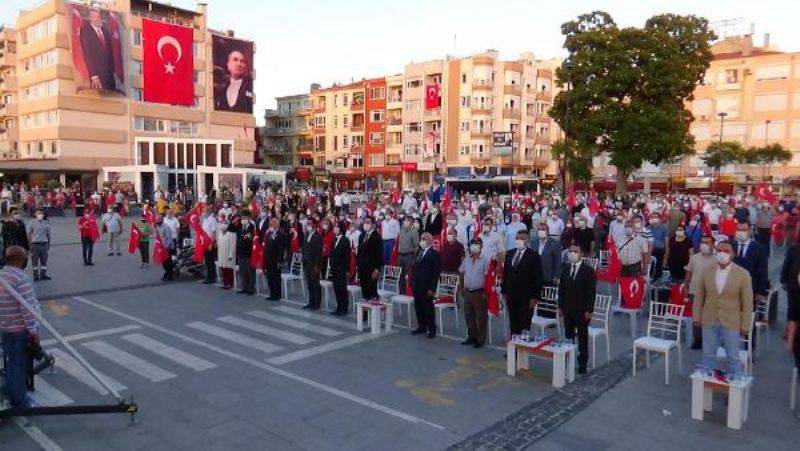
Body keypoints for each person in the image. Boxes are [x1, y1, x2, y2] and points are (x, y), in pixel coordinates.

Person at [694, 240, 753, 378]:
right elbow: (699, 296)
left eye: (726, 251)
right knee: (708, 354)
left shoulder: (743, 274)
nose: (722, 254)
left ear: (733, 254)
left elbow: (747, 302)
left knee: (732, 356)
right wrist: (696, 317)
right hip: (709, 318)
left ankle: (734, 389)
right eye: (719, 250)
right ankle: (706, 385)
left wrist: (745, 325)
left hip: (731, 321)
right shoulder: (707, 271)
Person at [0, 246, 40, 408]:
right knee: (17, 366)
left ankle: (11, 392)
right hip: (19, 329)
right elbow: (28, 308)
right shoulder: (20, 278)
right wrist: (33, 331)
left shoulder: (3, 275)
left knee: (11, 363)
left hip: (6, 328)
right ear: (20, 260)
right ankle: (20, 401)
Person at [558, 244, 596, 374]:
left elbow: (591, 292)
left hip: (582, 310)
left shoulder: (588, 271)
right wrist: (560, 306)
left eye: (575, 251)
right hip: (568, 309)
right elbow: (561, 289)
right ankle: (567, 360)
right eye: (570, 251)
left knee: (582, 337)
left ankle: (582, 363)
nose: (572, 254)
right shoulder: (566, 268)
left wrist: (589, 310)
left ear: (581, 254)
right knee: (568, 336)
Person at [502, 230, 544, 336]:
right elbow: (505, 273)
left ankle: (522, 350)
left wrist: (535, 297)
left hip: (526, 297)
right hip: (512, 295)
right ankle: (513, 350)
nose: (519, 241)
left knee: (524, 325)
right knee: (513, 323)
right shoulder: (510, 254)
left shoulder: (533, 256)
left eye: (522, 238)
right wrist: (504, 291)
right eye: (517, 238)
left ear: (527, 240)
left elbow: (538, 278)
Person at [684, 235, 717, 349]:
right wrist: (686, 285)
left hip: (710, 293)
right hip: (695, 291)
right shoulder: (694, 257)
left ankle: (709, 340)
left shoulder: (717, 259)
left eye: (707, 242)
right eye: (702, 242)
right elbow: (689, 272)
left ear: (713, 244)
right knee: (696, 317)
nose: (704, 245)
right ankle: (698, 340)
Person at [459, 238, 490, 347]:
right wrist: (461, 287)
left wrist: (486, 292)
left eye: (477, 244)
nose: (474, 246)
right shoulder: (467, 259)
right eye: (473, 244)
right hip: (467, 292)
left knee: (481, 317)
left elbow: (488, 277)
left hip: (479, 293)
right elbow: (461, 272)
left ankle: (480, 340)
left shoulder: (486, 260)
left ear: (481, 246)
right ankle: (471, 336)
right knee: (469, 316)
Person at [411, 232, 441, 338]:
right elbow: (414, 267)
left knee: (428, 308)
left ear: (430, 241)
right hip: (417, 284)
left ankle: (431, 330)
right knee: (418, 307)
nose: (422, 241)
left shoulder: (434, 254)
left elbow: (436, 273)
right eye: (421, 238)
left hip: (427, 286)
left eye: (424, 239)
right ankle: (421, 326)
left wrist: (432, 288)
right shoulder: (419, 251)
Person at [79, 8, 116, 91]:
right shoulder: (85, 31)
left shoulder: (105, 32)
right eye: (96, 17)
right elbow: (87, 55)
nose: (99, 19)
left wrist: (112, 72)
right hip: (97, 77)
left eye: (99, 16)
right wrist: (94, 76)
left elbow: (110, 53)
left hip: (109, 77)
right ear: (91, 18)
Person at [357, 217, 383, 302]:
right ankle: (365, 313)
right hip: (362, 268)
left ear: (373, 225)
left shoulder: (377, 237)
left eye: (368, 222)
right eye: (365, 222)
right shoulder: (361, 236)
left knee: (372, 292)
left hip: (372, 269)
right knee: (364, 292)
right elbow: (359, 252)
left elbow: (380, 254)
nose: (366, 224)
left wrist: (377, 269)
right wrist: (358, 266)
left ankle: (373, 312)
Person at [330, 222, 351, 315]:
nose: (335, 229)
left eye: (337, 227)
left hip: (341, 268)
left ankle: (344, 308)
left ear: (341, 229)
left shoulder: (345, 240)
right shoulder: (334, 239)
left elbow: (347, 256)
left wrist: (345, 269)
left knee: (342, 288)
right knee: (336, 288)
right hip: (334, 268)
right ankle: (339, 307)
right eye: (335, 227)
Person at [263, 218, 286, 300]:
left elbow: (281, 249)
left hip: (276, 259)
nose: (270, 226)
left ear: (276, 226)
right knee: (269, 277)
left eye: (272, 225)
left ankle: (277, 294)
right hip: (268, 259)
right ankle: (272, 293)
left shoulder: (280, 234)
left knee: (276, 277)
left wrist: (280, 260)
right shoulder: (269, 234)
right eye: (270, 225)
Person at [302, 220, 323, 309]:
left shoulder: (317, 236)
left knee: (315, 284)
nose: (308, 226)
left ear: (314, 225)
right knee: (309, 284)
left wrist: (316, 265)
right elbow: (303, 248)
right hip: (306, 263)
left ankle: (317, 303)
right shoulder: (306, 234)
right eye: (307, 224)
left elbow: (319, 252)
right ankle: (311, 301)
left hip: (314, 264)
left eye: (310, 224)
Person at [397, 216, 420, 293]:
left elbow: (416, 246)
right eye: (406, 220)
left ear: (412, 222)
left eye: (408, 221)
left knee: (410, 275)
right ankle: (401, 292)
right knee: (400, 275)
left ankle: (410, 292)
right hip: (400, 255)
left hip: (409, 255)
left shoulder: (414, 231)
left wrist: (414, 258)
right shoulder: (401, 230)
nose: (406, 222)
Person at [27, 209, 51, 281]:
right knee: (35, 262)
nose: (40, 215)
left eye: (42, 214)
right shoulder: (32, 223)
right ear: (35, 214)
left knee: (44, 261)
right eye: (39, 213)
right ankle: (36, 276)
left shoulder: (46, 223)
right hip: (35, 244)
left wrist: (48, 244)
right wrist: (29, 245)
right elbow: (29, 234)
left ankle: (43, 275)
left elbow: (48, 234)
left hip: (44, 244)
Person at [236, 210, 256, 295]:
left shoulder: (251, 227)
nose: (243, 219)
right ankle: (244, 287)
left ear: (249, 218)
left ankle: (251, 288)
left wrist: (242, 237)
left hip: (248, 253)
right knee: (242, 271)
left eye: (245, 218)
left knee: (250, 271)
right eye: (242, 218)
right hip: (241, 253)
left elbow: (248, 239)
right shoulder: (241, 227)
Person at [216, 218, 236, 289]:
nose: (222, 226)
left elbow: (232, 245)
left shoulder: (231, 234)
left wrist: (231, 255)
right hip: (221, 255)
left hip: (228, 255)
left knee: (229, 269)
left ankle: (230, 283)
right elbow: (218, 245)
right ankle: (225, 283)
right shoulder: (220, 235)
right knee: (223, 269)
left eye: (224, 224)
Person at [649, 213, 669, 281]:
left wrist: (666, 254)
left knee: (658, 267)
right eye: (653, 217)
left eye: (656, 217)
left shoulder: (664, 227)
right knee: (650, 267)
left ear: (660, 219)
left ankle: (657, 279)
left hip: (659, 250)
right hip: (649, 250)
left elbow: (666, 242)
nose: (654, 218)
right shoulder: (647, 228)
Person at [201, 207, 218, 284]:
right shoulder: (205, 220)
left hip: (210, 242)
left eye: (204, 211)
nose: (203, 213)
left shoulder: (212, 219)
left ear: (208, 212)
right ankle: (208, 276)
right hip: (205, 242)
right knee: (207, 261)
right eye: (203, 211)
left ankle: (212, 277)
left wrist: (211, 243)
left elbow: (214, 232)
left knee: (211, 260)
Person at [157, 216, 175, 282]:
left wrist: (166, 247)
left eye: (158, 220)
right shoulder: (159, 226)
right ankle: (167, 273)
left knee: (168, 262)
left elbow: (169, 239)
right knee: (164, 262)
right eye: (156, 220)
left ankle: (170, 275)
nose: (157, 221)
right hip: (162, 248)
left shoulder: (166, 227)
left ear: (161, 220)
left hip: (168, 248)